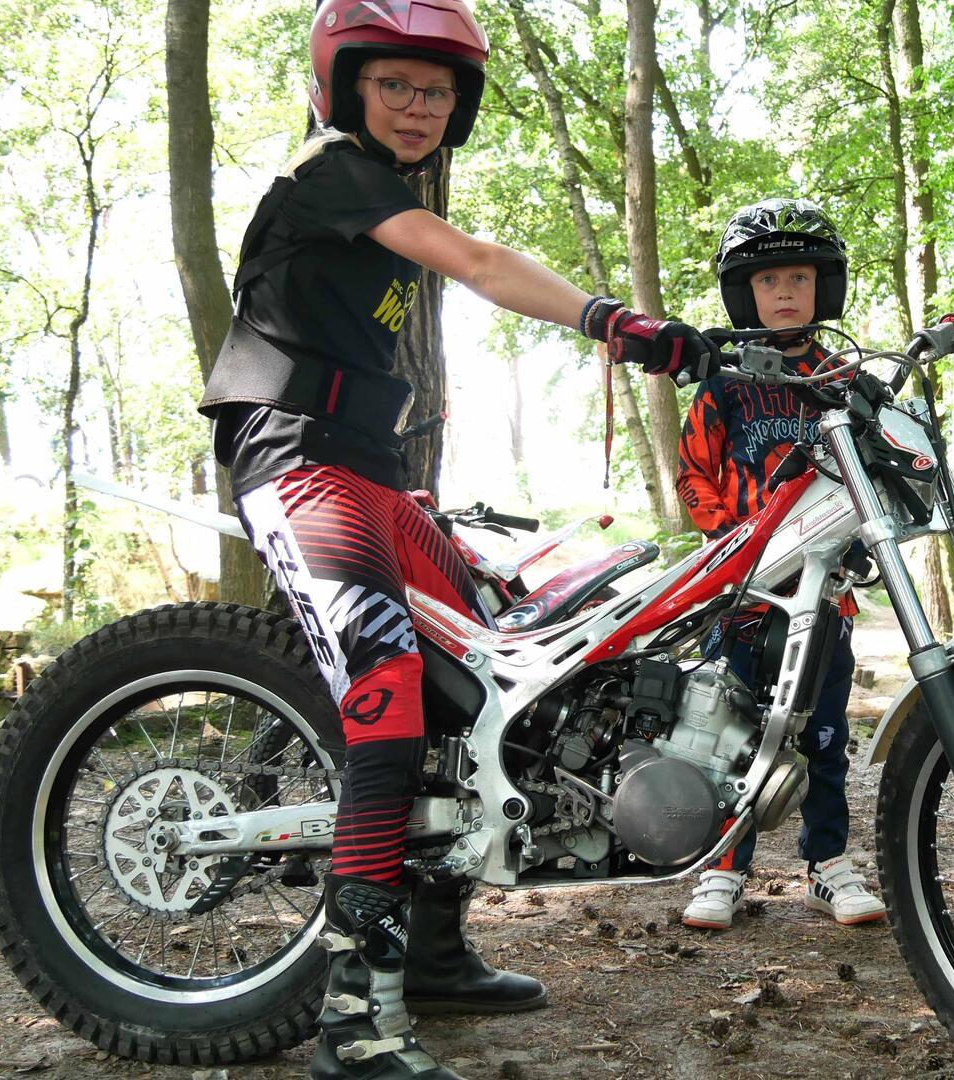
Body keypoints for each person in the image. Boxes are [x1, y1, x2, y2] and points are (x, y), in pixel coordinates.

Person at [196, 3, 711, 1076]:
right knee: (385, 696)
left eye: (435, 90)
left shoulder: (376, 192)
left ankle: (431, 948)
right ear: (348, 90)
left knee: (485, 680)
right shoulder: (332, 174)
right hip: (297, 459)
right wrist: (614, 321)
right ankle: (353, 1010)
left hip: (372, 471)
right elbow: (473, 261)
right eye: (396, 86)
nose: (420, 107)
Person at [673, 198, 887, 932]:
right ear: (746, 293)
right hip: (743, 595)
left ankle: (827, 864)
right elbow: (692, 472)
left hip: (826, 593)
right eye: (769, 281)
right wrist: (735, 543)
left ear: (822, 287)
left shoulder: (845, 379)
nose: (786, 293)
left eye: (799, 277)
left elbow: (872, 475)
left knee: (822, 733)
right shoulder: (724, 379)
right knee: (727, 730)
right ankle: (723, 865)